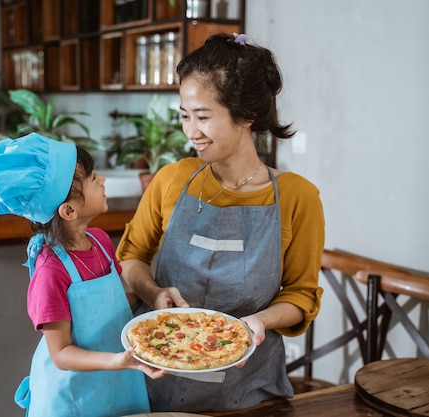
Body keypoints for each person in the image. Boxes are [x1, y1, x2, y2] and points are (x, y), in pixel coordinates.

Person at [115, 33, 325, 413]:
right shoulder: (172, 179)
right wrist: (153, 294)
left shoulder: (298, 197)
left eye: (203, 117)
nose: (190, 131)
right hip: (156, 374)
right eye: (184, 115)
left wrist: (259, 322)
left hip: (249, 388)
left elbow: (302, 295)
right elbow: (129, 259)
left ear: (246, 116)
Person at [0, 133, 164, 417]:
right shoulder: (50, 272)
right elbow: (61, 353)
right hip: (74, 397)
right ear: (68, 210)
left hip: (118, 381)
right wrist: (118, 360)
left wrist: (156, 305)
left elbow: (114, 304)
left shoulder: (101, 242)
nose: (102, 179)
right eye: (92, 178)